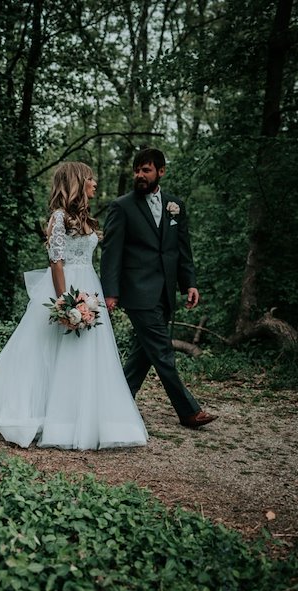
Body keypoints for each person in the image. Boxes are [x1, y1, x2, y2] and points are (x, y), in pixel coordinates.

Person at [0, 162, 148, 450]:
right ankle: (51, 418)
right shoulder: (59, 218)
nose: (95, 183)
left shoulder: (86, 219)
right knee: (50, 352)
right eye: (91, 178)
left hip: (89, 285)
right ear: (77, 181)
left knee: (85, 354)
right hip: (67, 288)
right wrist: (66, 300)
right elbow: (56, 261)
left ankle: (82, 418)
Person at [99, 147, 217, 428]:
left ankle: (117, 400)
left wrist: (190, 283)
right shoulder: (122, 206)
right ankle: (188, 411)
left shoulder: (175, 205)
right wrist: (110, 292)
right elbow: (111, 252)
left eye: (146, 170)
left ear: (161, 172)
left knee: (144, 352)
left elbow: (181, 249)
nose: (139, 175)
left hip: (165, 291)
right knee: (162, 350)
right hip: (138, 291)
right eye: (137, 170)